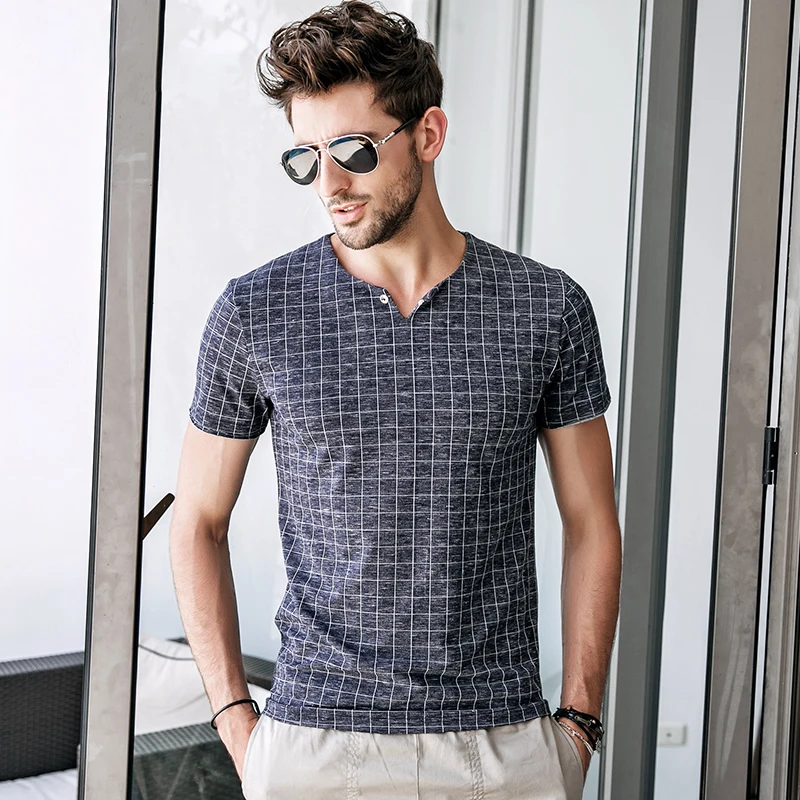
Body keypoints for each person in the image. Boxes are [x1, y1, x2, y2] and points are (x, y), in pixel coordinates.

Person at [169, 2, 622, 798]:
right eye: (306, 158)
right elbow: (197, 522)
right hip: (314, 745)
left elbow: (591, 522)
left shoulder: (545, 308)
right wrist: (238, 724)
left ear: (428, 134)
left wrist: (580, 721)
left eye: (353, 150)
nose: (330, 185)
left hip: (500, 743)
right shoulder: (256, 312)